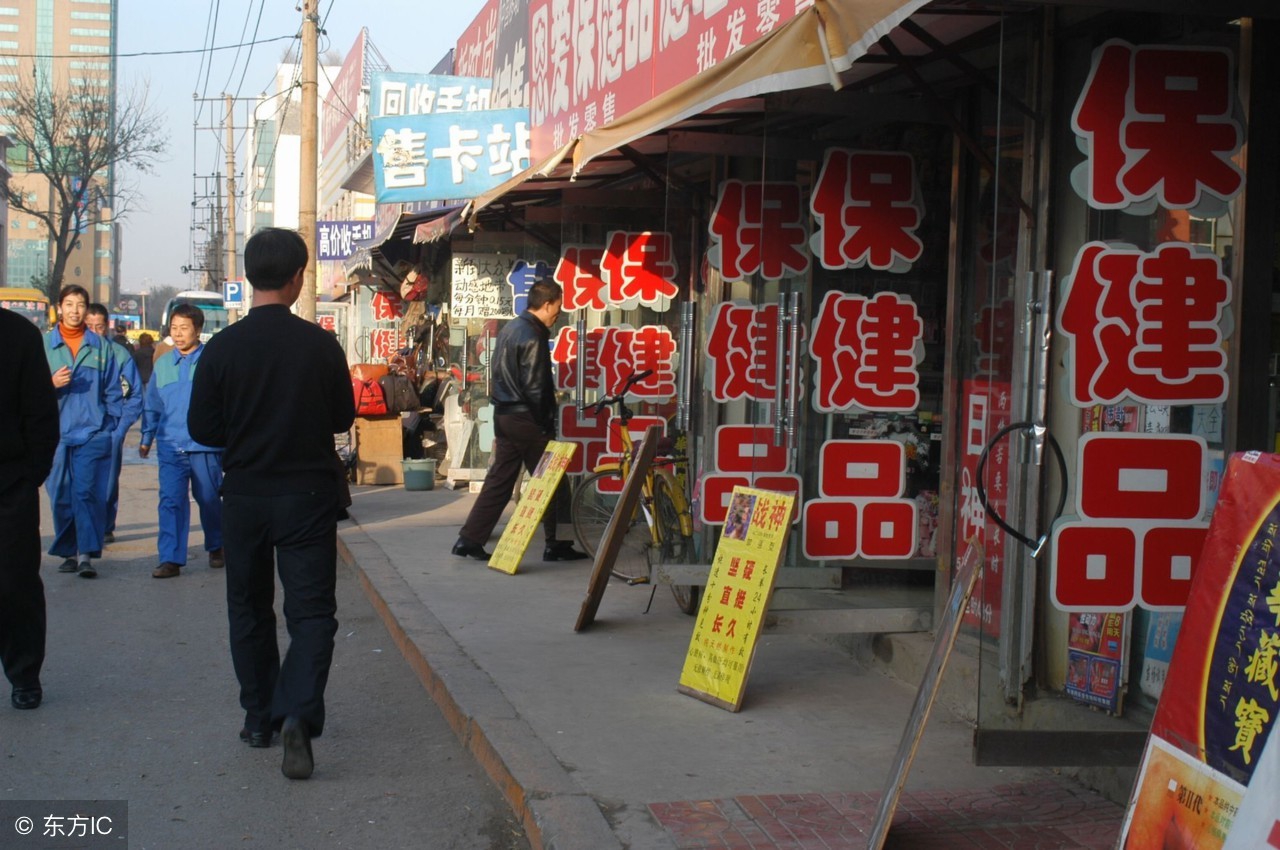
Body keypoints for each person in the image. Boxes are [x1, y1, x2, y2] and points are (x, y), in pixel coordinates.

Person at [189, 227, 355, 780]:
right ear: (297, 278)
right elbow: (340, 419)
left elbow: (202, 427)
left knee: (249, 607)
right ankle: (297, 715)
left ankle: (259, 717)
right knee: (311, 613)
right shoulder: (320, 345)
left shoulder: (222, 348)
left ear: (249, 276)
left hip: (243, 494)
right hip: (306, 495)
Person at [453, 280, 587, 563]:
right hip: (527, 417)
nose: (558, 314)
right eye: (558, 307)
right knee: (554, 481)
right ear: (548, 303)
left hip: (504, 414)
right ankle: (557, 544)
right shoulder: (533, 335)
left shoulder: (511, 328)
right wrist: (545, 422)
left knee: (499, 480)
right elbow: (536, 386)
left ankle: (469, 539)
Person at [0, 307, 60, 710]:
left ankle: (24, 675)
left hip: (8, 484)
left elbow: (41, 412)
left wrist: (29, 475)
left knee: (15, 582)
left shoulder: (18, 335)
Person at [43, 285, 123, 578]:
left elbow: (114, 390)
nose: (75, 310)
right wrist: (49, 383)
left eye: (80, 305)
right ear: (59, 308)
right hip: (55, 434)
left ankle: (87, 554)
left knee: (86, 492)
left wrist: (110, 426)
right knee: (61, 494)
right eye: (70, 304)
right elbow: (27, 391)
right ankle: (68, 552)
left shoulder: (100, 346)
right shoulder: (44, 345)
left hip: (93, 433)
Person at [140, 304, 223, 579]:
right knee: (171, 500)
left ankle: (217, 545)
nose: (178, 334)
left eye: (184, 328)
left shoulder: (212, 360)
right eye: (174, 328)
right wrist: (146, 436)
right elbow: (152, 404)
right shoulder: (163, 364)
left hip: (205, 445)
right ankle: (170, 558)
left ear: (198, 330)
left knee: (209, 497)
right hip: (170, 444)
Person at [84, 303, 145, 545]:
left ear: (107, 327)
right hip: (77, 429)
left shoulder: (119, 355)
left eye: (99, 327)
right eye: (90, 326)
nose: (95, 331)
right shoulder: (73, 352)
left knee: (107, 483)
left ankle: (105, 525)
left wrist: (120, 429)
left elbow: (134, 396)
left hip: (109, 430)